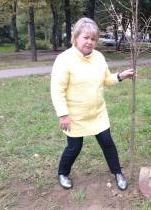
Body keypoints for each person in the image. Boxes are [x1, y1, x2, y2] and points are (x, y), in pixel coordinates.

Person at [50, 17, 134, 191]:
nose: (89, 42)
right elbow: (57, 90)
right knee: (74, 147)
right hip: (75, 115)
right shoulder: (64, 59)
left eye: (93, 39)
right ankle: (62, 173)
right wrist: (63, 114)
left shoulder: (99, 57)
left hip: (97, 113)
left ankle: (118, 172)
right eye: (86, 37)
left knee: (108, 143)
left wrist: (120, 76)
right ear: (76, 37)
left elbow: (105, 80)